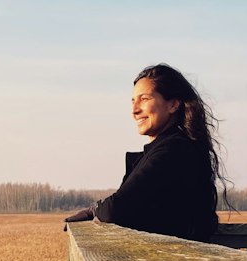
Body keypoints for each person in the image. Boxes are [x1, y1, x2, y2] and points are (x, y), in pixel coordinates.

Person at [65, 64, 226, 242]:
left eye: (144, 99)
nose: (134, 110)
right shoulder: (168, 148)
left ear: (173, 104)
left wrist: (94, 209)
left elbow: (115, 209)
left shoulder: (173, 150)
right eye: (133, 101)